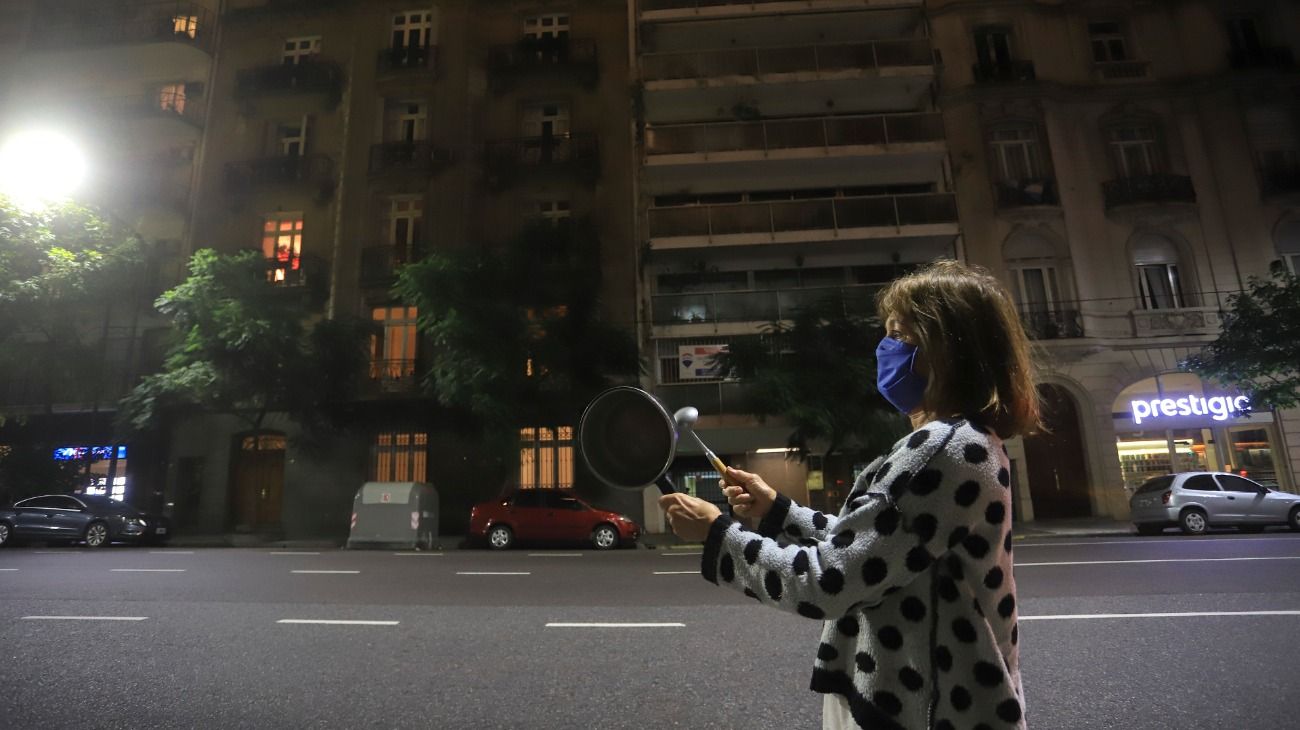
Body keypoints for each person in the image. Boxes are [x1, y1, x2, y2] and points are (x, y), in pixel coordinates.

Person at [659, 260, 1039, 730]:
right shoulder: (969, 441)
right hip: (925, 702)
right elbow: (878, 546)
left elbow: (830, 582)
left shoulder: (942, 449)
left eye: (900, 336)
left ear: (948, 349)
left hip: (924, 711)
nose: (885, 349)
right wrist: (777, 509)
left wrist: (718, 534)